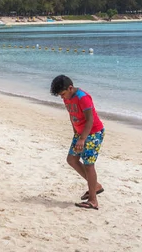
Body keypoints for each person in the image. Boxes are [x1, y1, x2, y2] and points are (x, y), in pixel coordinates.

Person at [50, 75, 105, 210]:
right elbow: (72, 114)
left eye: (63, 94)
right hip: (80, 134)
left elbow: (90, 120)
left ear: (70, 88)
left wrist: (82, 138)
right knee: (72, 159)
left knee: (89, 165)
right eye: (60, 96)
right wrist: (76, 133)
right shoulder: (67, 97)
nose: (62, 98)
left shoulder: (83, 97)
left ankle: (93, 200)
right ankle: (96, 186)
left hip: (93, 133)